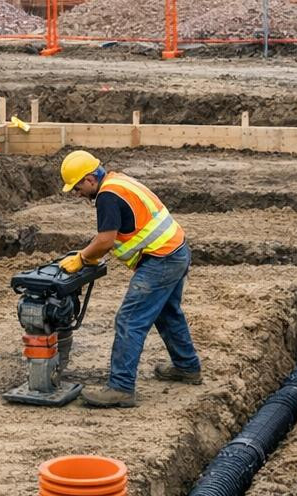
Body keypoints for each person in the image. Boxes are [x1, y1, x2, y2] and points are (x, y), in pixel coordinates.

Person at [57, 150, 202, 408]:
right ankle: (187, 366)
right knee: (168, 313)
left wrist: (81, 258)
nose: (77, 193)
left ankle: (121, 388)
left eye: (77, 187)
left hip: (161, 259)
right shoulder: (117, 181)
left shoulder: (107, 196)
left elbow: (105, 240)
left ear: (90, 179)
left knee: (129, 319)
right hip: (175, 250)